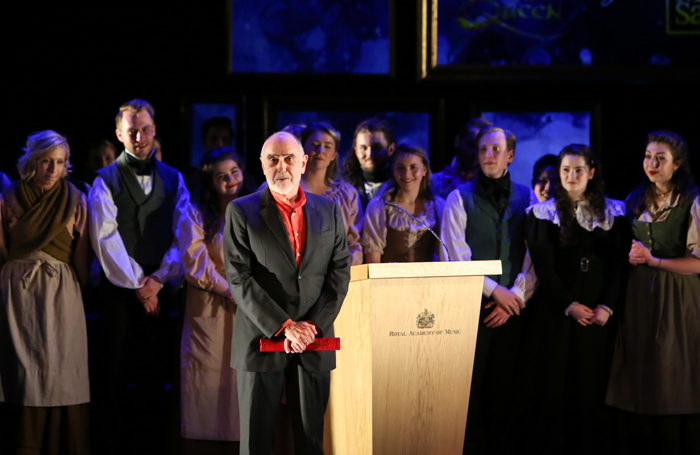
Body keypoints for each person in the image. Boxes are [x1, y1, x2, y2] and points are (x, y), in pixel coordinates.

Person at [224, 131, 351, 455]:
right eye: (273, 159)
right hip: (260, 339)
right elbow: (239, 278)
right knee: (256, 444)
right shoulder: (241, 211)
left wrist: (311, 327)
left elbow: (339, 274)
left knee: (311, 442)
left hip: (314, 339)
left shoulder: (330, 210)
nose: (282, 166)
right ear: (262, 165)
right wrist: (286, 327)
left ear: (304, 162)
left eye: (289, 158)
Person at [88, 99, 189, 454]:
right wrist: (139, 284)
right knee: (113, 374)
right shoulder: (104, 181)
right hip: (119, 290)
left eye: (146, 129)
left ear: (154, 130)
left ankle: (153, 445)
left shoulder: (175, 179)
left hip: (161, 288)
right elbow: (104, 238)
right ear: (119, 134)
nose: (140, 137)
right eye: (132, 131)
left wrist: (159, 280)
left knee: (155, 373)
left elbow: (184, 235)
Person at [524, 144, 627, 454]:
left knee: (593, 383)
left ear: (591, 173)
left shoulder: (613, 211)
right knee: (557, 384)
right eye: (566, 170)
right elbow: (543, 266)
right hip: (558, 309)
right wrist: (568, 304)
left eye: (579, 170)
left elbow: (619, 266)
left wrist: (607, 306)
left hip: (599, 311)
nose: (572, 175)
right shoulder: (542, 213)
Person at [439, 126, 536, 453]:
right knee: (471, 389)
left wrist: (516, 296)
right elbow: (453, 256)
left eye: (496, 149)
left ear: (509, 155)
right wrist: (496, 292)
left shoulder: (529, 197)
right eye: (483, 150)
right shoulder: (459, 198)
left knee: (510, 389)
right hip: (472, 307)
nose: (488, 155)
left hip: (516, 308)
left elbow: (534, 256)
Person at [606, 130, 700, 454]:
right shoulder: (634, 199)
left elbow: (698, 263)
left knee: (674, 370)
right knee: (641, 371)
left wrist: (654, 260)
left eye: (661, 158)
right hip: (640, 294)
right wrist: (633, 257)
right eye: (648, 156)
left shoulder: (692, 200)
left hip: (678, 295)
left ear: (677, 164)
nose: (652, 163)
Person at [0, 131, 90, 454]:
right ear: (32, 162)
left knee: (62, 364)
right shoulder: (9, 197)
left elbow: (81, 251)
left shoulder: (76, 198)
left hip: (60, 286)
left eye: (60, 162)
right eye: (46, 162)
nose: (53, 169)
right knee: (25, 369)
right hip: (19, 286)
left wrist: (81, 286)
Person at [178, 147, 246, 446]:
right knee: (206, 380)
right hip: (211, 306)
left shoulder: (257, 211)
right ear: (210, 182)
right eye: (221, 176)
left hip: (247, 310)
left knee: (239, 383)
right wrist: (228, 290)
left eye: (234, 172)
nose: (230, 180)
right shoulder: (195, 214)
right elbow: (195, 262)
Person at [363, 142, 445, 263]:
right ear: (393, 170)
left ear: (424, 170)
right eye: (400, 168)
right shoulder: (379, 207)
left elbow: (444, 257)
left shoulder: (438, 206)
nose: (407, 175)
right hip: (390, 281)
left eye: (414, 167)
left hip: (429, 281)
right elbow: (373, 263)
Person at [300, 122, 363, 265]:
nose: (321, 150)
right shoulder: (283, 190)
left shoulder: (347, 194)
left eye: (327, 146)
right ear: (302, 148)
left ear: (334, 154)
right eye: (314, 144)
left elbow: (354, 244)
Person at [342, 118, 397, 210]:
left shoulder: (404, 186)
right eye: (363, 148)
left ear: (391, 149)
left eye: (377, 147)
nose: (370, 154)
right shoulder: (345, 191)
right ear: (356, 151)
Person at [431, 117, 492, 199]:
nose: (475, 152)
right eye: (470, 144)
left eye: (482, 148)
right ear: (457, 141)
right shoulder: (431, 183)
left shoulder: (494, 187)